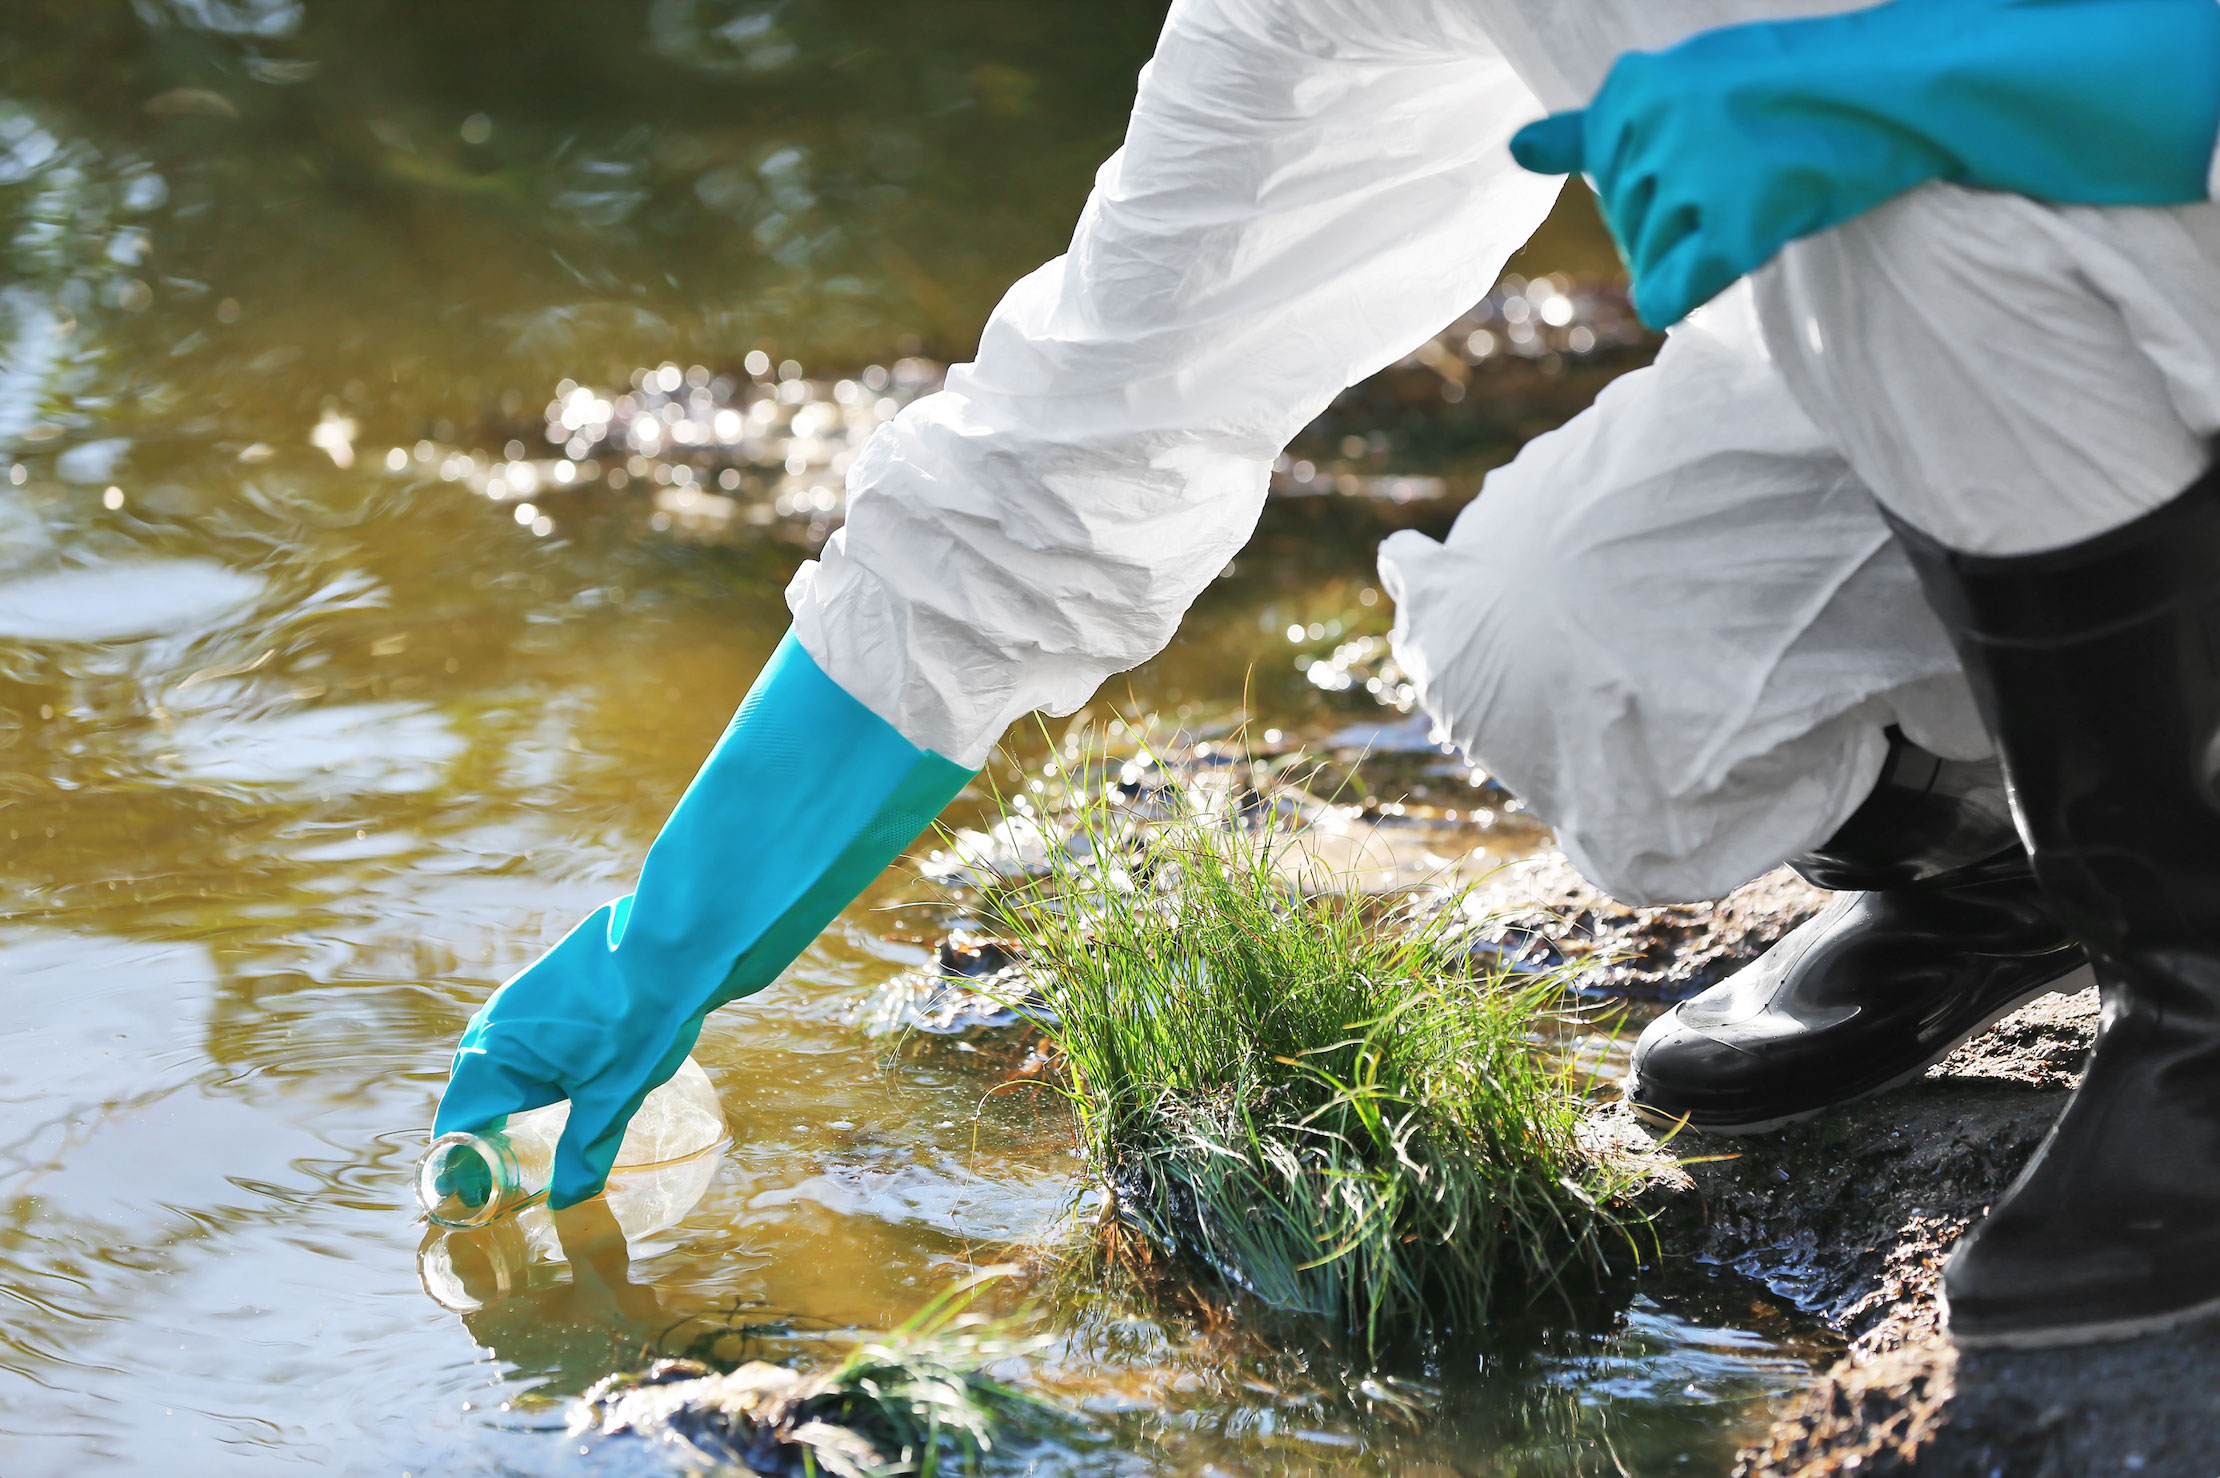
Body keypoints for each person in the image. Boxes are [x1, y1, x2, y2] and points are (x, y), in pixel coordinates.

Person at [436, 0, 2220, 1351]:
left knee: (1917, 199)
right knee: (1566, 638)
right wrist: (671, 938)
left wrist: (1957, 72)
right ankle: (2032, 858)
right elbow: (1083, 434)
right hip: (2055, 362)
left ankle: (2194, 998)